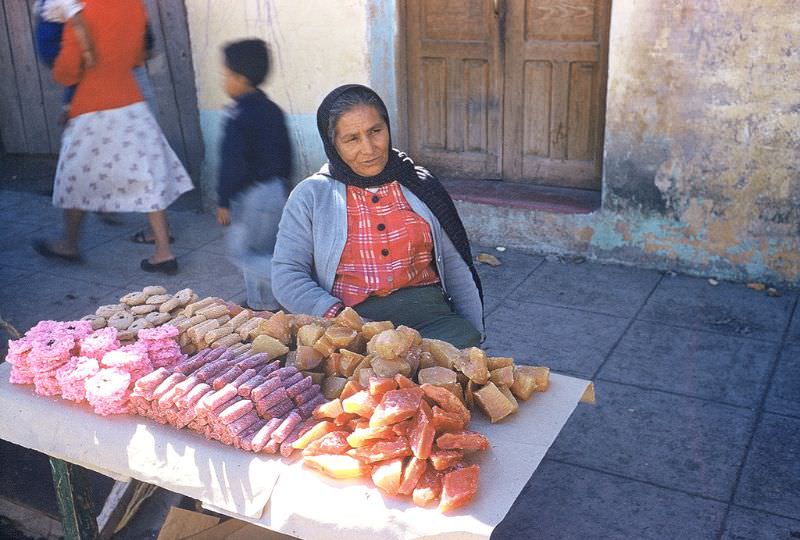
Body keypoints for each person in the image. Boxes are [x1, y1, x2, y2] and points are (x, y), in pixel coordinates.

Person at [271, 84, 483, 347]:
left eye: (375, 131)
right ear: (333, 144)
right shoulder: (311, 195)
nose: (369, 148)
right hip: (349, 321)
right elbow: (287, 273)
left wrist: (474, 326)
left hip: (429, 315)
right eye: (352, 139)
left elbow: (455, 265)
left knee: (453, 369)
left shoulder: (419, 185)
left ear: (388, 128)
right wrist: (338, 316)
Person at [32, 0, 193, 275]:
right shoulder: (133, 5)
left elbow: (68, 69)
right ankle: (164, 251)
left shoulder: (82, 10)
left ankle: (69, 244)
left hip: (90, 106)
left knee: (76, 177)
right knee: (146, 174)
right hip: (130, 101)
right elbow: (137, 56)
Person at [216, 39, 293, 311]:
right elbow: (287, 152)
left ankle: (293, 282)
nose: (224, 81)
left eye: (225, 75)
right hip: (276, 191)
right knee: (265, 248)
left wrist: (223, 200)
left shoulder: (237, 115)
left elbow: (231, 164)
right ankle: (260, 304)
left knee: (244, 253)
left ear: (240, 78)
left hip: (251, 196)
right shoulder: (273, 110)